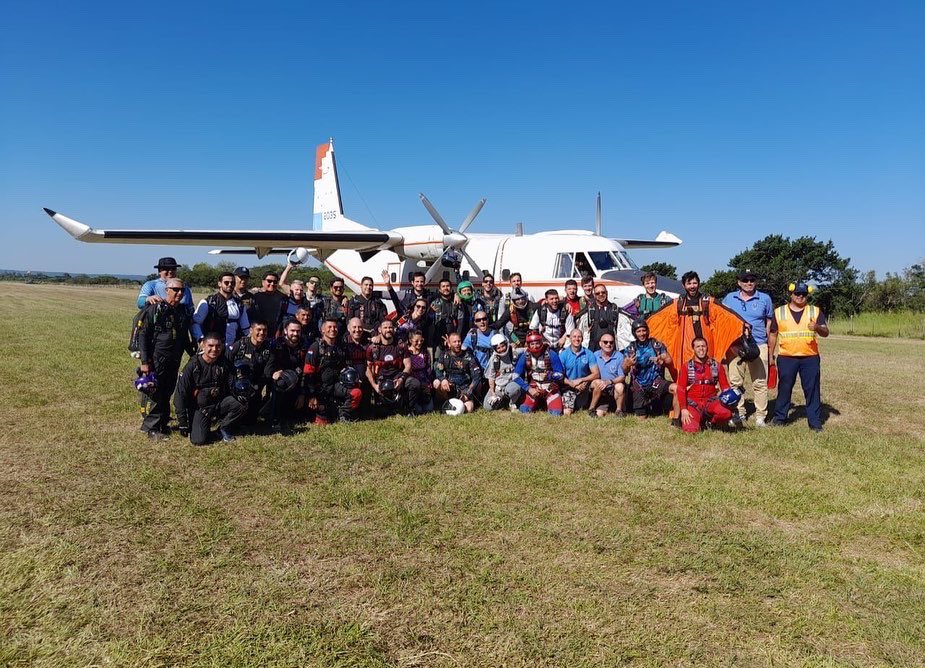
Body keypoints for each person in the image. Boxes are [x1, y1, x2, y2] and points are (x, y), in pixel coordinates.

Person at [645, 271, 747, 386]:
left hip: (705, 345)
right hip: (685, 347)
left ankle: (707, 397)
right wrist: (643, 327)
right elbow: (659, 318)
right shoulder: (677, 303)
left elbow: (725, 315)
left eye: (695, 283)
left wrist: (743, 325)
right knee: (686, 375)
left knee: (708, 372)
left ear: (699, 284)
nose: (692, 286)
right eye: (689, 283)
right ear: (684, 285)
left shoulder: (708, 302)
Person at [136, 278, 195, 440]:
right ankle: (151, 428)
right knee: (155, 393)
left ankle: (162, 422)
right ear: (166, 290)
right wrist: (145, 363)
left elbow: (183, 337)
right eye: (175, 289)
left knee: (167, 391)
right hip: (156, 359)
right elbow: (143, 336)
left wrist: (193, 354)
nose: (179, 293)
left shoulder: (182, 311)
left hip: (174, 359)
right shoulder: (155, 310)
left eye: (182, 290)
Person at [770, 281, 829, 432]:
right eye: (797, 294)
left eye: (803, 294)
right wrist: (770, 354)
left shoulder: (815, 311)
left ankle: (815, 422)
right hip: (786, 357)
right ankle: (780, 418)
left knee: (812, 390)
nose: (800, 297)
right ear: (791, 294)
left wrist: (817, 327)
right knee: (784, 388)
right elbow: (773, 334)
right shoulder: (779, 312)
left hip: (810, 357)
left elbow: (826, 332)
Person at [722, 269, 774, 426]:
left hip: (758, 345)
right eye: (745, 280)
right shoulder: (729, 298)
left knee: (759, 382)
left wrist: (766, 345)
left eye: (752, 280)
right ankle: (739, 413)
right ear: (739, 282)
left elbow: (769, 323)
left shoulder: (765, 298)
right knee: (735, 382)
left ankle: (760, 417)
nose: (749, 283)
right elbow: (722, 319)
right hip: (736, 346)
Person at [174, 333, 247, 445]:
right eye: (211, 346)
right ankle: (203, 424)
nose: (214, 349)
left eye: (218, 346)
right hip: (200, 408)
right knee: (198, 440)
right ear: (203, 346)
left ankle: (223, 428)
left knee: (241, 403)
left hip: (218, 404)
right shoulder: (193, 366)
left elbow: (233, 384)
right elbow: (180, 395)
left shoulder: (224, 364)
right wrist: (183, 422)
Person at [303, 318, 357, 424]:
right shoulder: (315, 348)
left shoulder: (341, 347)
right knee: (322, 422)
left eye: (335, 327)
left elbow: (347, 366)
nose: (333, 329)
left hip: (336, 386)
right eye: (329, 327)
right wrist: (312, 395)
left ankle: (344, 415)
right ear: (322, 330)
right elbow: (307, 374)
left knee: (356, 393)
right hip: (319, 389)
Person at [677, 337, 734, 433]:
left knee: (726, 413)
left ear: (707, 348)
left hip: (711, 402)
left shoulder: (716, 366)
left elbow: (725, 387)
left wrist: (731, 398)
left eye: (703, 346)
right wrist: (683, 409)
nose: (701, 349)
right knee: (690, 430)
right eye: (698, 346)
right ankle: (698, 420)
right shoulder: (686, 367)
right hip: (693, 404)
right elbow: (681, 389)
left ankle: (712, 422)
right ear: (693, 349)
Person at [622, 319, 673, 418]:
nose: (642, 334)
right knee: (642, 417)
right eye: (639, 331)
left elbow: (669, 360)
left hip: (656, 383)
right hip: (639, 386)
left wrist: (661, 358)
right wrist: (628, 364)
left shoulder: (656, 344)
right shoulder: (631, 348)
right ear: (634, 333)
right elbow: (624, 370)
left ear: (647, 331)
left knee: (675, 389)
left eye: (644, 330)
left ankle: (675, 417)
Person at [366, 319, 416, 416]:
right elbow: (368, 369)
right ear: (380, 330)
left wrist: (401, 379)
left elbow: (408, 366)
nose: (388, 330)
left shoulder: (401, 346)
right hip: (381, 382)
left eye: (390, 327)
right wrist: (375, 386)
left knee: (414, 383)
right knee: (382, 413)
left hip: (398, 379)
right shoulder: (372, 348)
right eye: (385, 327)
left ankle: (409, 409)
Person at [227, 319, 272, 425]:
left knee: (250, 421)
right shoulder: (239, 346)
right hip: (235, 389)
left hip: (255, 388)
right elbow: (226, 366)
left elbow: (268, 372)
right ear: (251, 330)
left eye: (264, 330)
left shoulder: (269, 349)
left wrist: (255, 387)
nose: (262, 333)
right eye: (259, 329)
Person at [266, 319, 308, 434]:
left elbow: (306, 371)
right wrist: (273, 374)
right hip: (281, 383)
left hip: (299, 383)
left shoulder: (304, 345)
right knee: (280, 383)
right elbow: (268, 369)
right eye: (292, 331)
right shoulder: (276, 345)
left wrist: (302, 394)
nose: (295, 334)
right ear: (285, 331)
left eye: (298, 331)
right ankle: (274, 419)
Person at [513, 331, 565, 415]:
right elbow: (515, 376)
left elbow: (560, 374)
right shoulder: (525, 356)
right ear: (528, 344)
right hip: (535, 387)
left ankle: (549, 402)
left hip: (550, 387)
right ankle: (539, 402)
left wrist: (550, 375)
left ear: (541, 342)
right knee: (524, 410)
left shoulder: (551, 354)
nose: (535, 346)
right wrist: (528, 389)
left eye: (537, 343)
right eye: (532, 344)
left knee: (556, 413)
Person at [192, 272, 251, 346]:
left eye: (232, 283)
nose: (230, 285)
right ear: (219, 284)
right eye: (226, 282)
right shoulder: (208, 302)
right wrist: (201, 339)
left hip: (233, 348)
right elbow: (195, 323)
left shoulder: (239, 304)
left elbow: (245, 328)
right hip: (213, 348)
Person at [433, 332, 482, 414]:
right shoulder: (444, 355)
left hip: (465, 388)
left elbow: (477, 375)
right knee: (436, 382)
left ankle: (459, 404)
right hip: (450, 386)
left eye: (459, 341)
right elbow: (438, 371)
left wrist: (468, 392)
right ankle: (446, 402)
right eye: (454, 342)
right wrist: (443, 379)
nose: (457, 344)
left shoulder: (468, 356)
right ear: (449, 344)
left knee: (469, 409)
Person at [558, 328, 600, 415]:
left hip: (584, 386)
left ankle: (591, 408)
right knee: (567, 413)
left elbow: (596, 374)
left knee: (597, 383)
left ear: (582, 339)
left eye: (579, 337)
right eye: (574, 336)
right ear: (570, 338)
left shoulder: (589, 354)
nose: (577, 339)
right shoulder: (563, 355)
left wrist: (582, 380)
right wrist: (572, 383)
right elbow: (559, 376)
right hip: (569, 386)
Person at [587, 333, 626, 417]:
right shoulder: (594, 355)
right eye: (605, 342)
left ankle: (619, 410)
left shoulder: (619, 356)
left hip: (612, 386)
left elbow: (622, 377)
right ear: (600, 344)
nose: (608, 344)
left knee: (620, 386)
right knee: (599, 414)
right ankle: (591, 408)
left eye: (611, 342)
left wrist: (610, 382)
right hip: (599, 387)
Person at [577, 282, 621, 352]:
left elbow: (622, 334)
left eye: (603, 292)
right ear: (594, 295)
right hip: (593, 351)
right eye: (598, 293)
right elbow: (580, 333)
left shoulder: (615, 310)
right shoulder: (588, 312)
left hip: (611, 351)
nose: (601, 294)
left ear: (607, 293)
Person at [483, 333, 522, 411]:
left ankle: (512, 402)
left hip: (512, 383)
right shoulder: (493, 359)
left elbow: (526, 350)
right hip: (499, 387)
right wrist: (493, 393)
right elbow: (491, 378)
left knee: (514, 388)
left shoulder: (513, 352)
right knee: (487, 407)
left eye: (503, 346)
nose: (501, 349)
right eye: (498, 348)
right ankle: (502, 401)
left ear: (506, 344)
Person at [493, 288, 536, 355]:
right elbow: (499, 323)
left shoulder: (532, 306)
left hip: (530, 336)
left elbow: (542, 307)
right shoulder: (510, 310)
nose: (521, 301)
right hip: (515, 338)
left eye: (522, 298)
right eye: (518, 299)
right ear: (513, 301)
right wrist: (488, 326)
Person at [349, 276, 388, 340]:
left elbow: (384, 321)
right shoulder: (354, 301)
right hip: (358, 333)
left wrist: (379, 336)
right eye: (366, 285)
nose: (368, 287)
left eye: (370, 285)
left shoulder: (378, 302)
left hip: (375, 335)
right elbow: (349, 320)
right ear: (361, 286)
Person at [406, 331, 435, 414]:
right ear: (410, 340)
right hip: (413, 383)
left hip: (424, 382)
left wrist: (428, 384)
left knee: (429, 409)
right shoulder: (406, 353)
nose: (419, 343)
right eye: (416, 341)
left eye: (421, 341)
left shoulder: (425, 353)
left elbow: (428, 369)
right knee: (418, 410)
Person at [430, 278, 457, 351]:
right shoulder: (434, 304)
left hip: (454, 339)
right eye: (443, 286)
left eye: (447, 286)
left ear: (451, 288)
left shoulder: (456, 302)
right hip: (438, 340)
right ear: (439, 289)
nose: (446, 288)